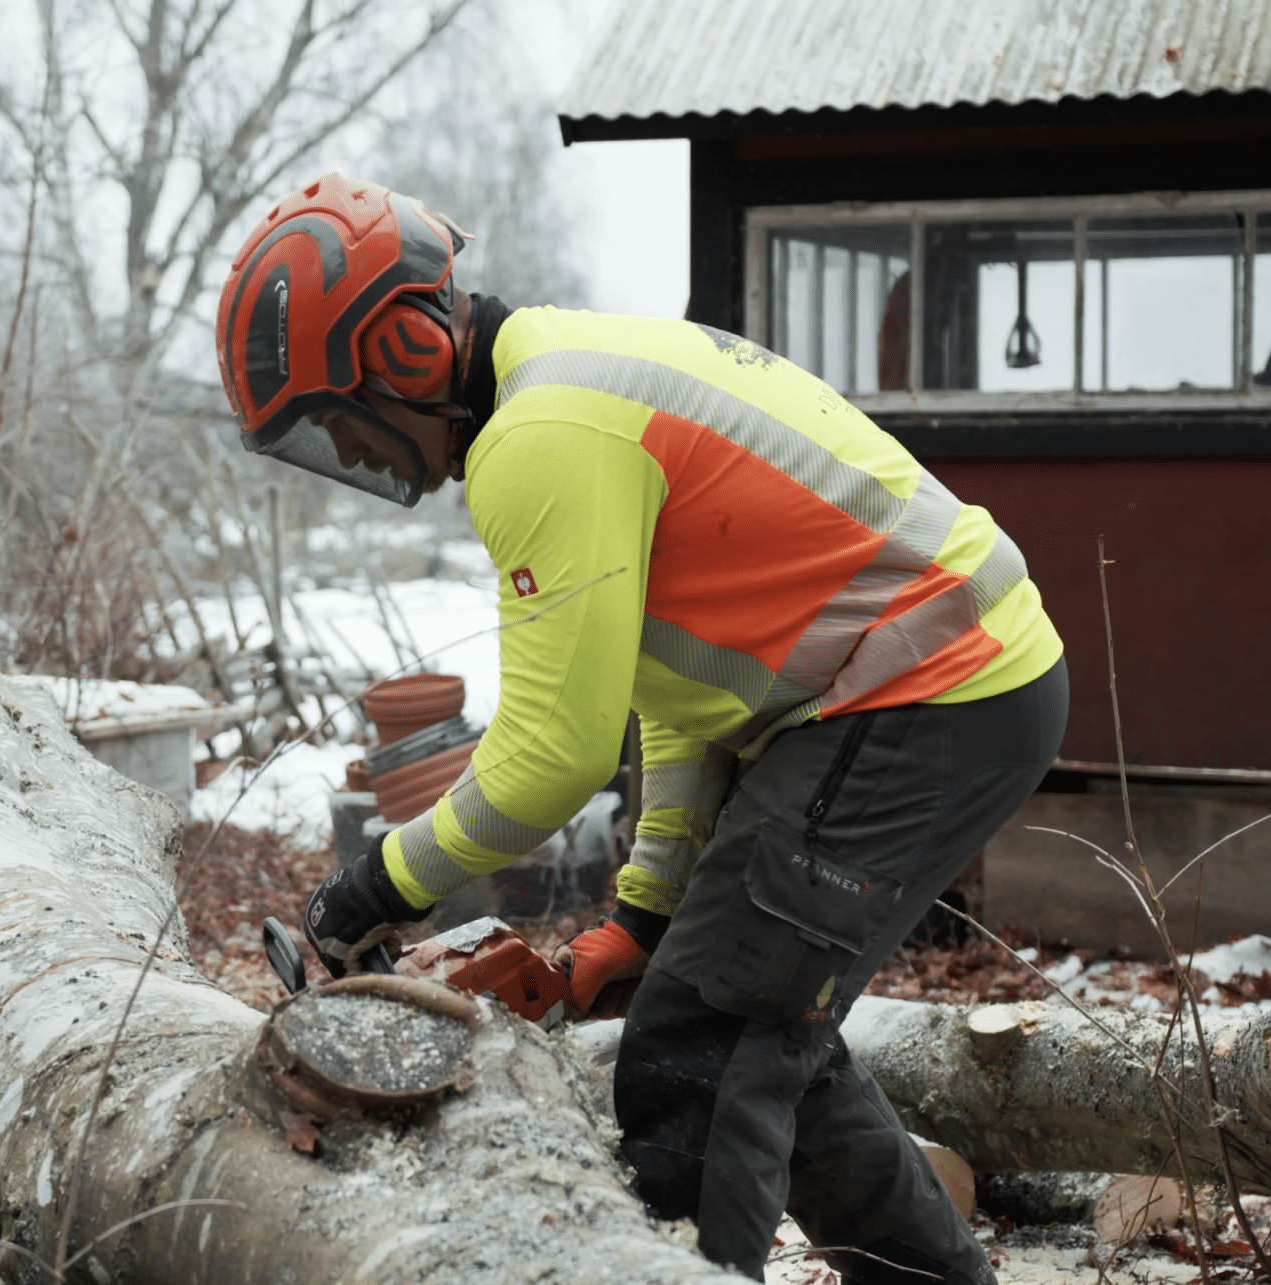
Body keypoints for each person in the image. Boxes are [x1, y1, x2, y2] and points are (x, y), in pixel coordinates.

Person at [213, 173, 1067, 1285]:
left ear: (410, 351)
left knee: (696, 1052)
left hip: (926, 692)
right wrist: (645, 915)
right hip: (927, 690)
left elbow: (551, 756)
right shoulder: (567, 381)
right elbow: (678, 702)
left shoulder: (543, 432)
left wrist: (374, 885)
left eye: (339, 426)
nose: (361, 460)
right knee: (764, 1034)